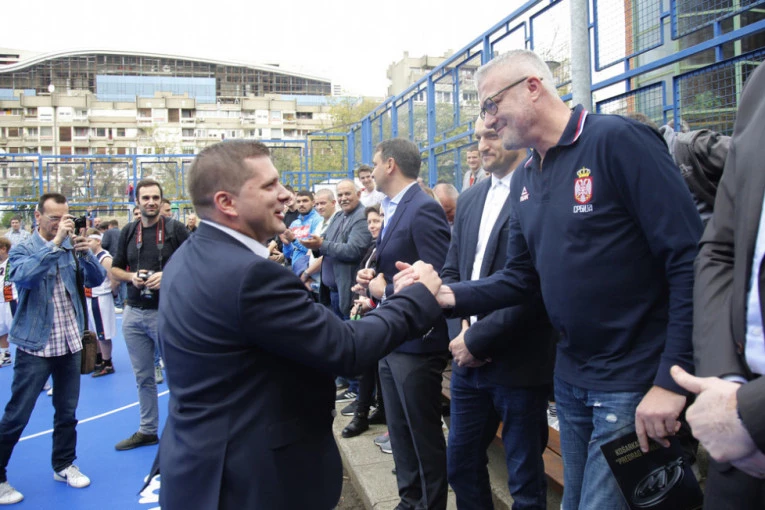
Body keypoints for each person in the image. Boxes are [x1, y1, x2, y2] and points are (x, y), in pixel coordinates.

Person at [411, 50, 702, 509]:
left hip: (631, 382)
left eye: (490, 104)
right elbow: (520, 278)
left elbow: (689, 259)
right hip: (569, 381)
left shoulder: (618, 141)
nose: (488, 120)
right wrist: (446, 295)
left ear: (533, 87)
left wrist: (670, 379)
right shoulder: (527, 176)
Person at [145, 140, 445, 510]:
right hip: (250, 483)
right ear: (227, 202)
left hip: (208, 471)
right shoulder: (250, 275)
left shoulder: (190, 257)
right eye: (269, 185)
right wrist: (416, 296)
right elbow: (346, 348)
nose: (286, 195)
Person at [442, 118, 556, 509]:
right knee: (460, 466)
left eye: (490, 135)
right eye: (478, 137)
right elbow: (452, 273)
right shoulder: (471, 198)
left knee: (524, 481)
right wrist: (461, 332)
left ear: (514, 134)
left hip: (518, 363)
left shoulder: (540, 191)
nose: (482, 144)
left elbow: (536, 285)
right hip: (466, 362)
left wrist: (478, 339)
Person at [670, 63, 765, 508]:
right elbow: (721, 249)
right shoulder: (760, 86)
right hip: (737, 443)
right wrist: (724, 382)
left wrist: (752, 412)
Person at [358, 137, 451, 510]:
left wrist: (387, 289)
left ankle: (429, 504)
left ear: (390, 164)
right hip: (393, 339)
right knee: (399, 432)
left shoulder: (423, 208)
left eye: (375, 162)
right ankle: (409, 500)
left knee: (422, 436)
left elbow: (441, 276)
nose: (371, 170)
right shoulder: (393, 207)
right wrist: (373, 280)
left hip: (418, 344)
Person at [0, 193, 106, 505]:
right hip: (35, 345)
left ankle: (64, 464)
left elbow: (97, 279)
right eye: (54, 218)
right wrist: (56, 243)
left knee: (67, 411)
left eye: (65, 218)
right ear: (38, 216)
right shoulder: (23, 248)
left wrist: (86, 254)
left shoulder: (72, 248)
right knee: (18, 414)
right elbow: (24, 278)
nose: (61, 224)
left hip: (70, 343)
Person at [111, 179, 189, 451]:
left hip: (167, 313)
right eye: (146, 198)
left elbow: (196, 262)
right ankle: (147, 430)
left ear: (161, 200)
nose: (151, 202)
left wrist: (167, 275)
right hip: (133, 313)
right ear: (137, 202)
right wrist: (132, 277)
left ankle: (187, 432)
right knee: (143, 378)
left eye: (155, 197)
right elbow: (116, 269)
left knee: (181, 376)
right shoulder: (128, 231)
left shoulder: (175, 229)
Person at [84, 229, 118, 377]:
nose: (87, 243)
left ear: (98, 241)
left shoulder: (105, 258)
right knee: (94, 333)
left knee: (103, 333)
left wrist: (113, 294)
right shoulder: (90, 257)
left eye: (89, 241)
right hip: (90, 297)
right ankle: (98, 359)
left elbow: (114, 280)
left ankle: (107, 363)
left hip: (101, 297)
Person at [0, 238, 16, 368]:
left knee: (17, 332)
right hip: (0, 302)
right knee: (1, 330)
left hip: (11, 301)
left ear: (3, 249)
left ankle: (29, 358)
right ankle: (5, 355)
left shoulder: (13, 262)